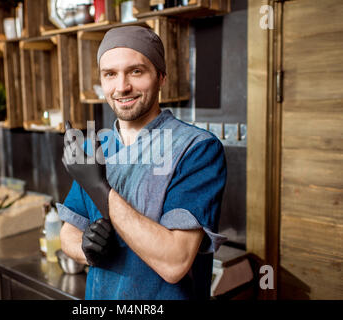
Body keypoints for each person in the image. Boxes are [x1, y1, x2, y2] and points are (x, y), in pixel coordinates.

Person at [56, 26, 227, 300]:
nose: (122, 86)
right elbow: (68, 233)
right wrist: (87, 250)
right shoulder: (95, 149)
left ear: (161, 77)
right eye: (110, 74)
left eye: (136, 71)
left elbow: (175, 262)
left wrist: (99, 188)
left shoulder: (196, 149)